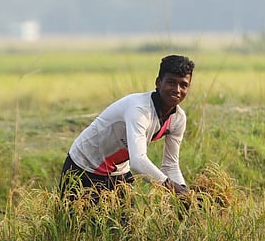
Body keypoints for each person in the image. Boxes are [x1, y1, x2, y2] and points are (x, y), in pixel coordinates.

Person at [61, 54, 194, 203]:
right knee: (77, 225)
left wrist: (186, 195)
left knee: (126, 225)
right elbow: (138, 162)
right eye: (171, 82)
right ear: (158, 82)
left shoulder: (178, 118)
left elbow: (170, 165)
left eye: (183, 85)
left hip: (118, 172)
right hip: (82, 167)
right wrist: (175, 189)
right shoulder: (139, 110)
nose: (177, 90)